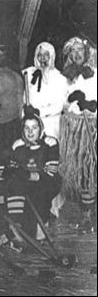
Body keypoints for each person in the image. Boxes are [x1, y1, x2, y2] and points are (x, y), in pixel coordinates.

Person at [6, 107, 61, 241]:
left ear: (40, 128)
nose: (30, 132)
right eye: (26, 128)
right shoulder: (17, 145)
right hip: (25, 182)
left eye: (34, 128)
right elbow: (12, 168)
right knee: (12, 187)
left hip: (46, 181)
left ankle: (40, 224)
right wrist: (16, 173)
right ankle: (16, 225)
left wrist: (29, 176)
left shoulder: (50, 143)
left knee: (39, 192)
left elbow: (51, 172)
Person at [59, 37, 97, 232]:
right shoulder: (65, 76)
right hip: (72, 127)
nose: (76, 54)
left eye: (79, 50)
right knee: (78, 173)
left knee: (89, 171)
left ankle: (89, 216)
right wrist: (70, 101)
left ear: (86, 51)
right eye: (72, 51)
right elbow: (61, 102)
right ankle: (84, 215)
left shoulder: (95, 73)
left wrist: (92, 105)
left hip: (91, 127)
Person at [22, 42, 67, 139]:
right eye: (40, 55)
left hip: (50, 124)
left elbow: (59, 105)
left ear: (51, 56)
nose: (43, 58)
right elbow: (25, 96)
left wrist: (39, 112)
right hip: (31, 124)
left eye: (46, 55)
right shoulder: (29, 74)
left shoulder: (59, 78)